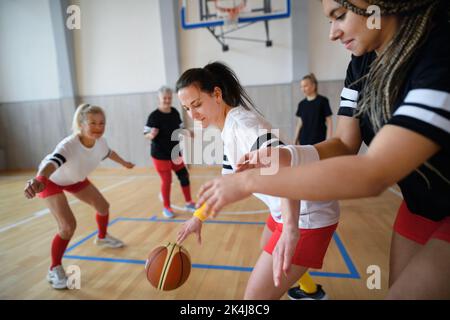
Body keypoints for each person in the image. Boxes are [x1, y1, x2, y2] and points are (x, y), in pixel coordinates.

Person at [194, 0, 450, 299]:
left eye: (340, 16)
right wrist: (289, 154)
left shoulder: (438, 51)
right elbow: (344, 144)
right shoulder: (361, 65)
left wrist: (250, 180)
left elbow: (375, 173)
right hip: (420, 203)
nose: (332, 33)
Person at [174, 62, 340, 300]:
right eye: (187, 108)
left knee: (253, 301)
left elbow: (284, 166)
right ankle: (309, 291)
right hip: (287, 208)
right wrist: (197, 218)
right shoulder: (228, 129)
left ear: (217, 94)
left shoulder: (242, 125)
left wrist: (291, 229)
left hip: (306, 214)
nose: (193, 114)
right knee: (267, 241)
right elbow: (228, 185)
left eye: (197, 104)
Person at [23, 103, 135, 290]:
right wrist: (40, 179)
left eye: (101, 123)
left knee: (103, 207)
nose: (98, 127)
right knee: (68, 227)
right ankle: (54, 268)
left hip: (74, 179)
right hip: (50, 181)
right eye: (92, 123)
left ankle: (102, 237)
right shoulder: (69, 145)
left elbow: (108, 153)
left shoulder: (101, 142)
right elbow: (52, 162)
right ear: (81, 124)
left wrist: (124, 163)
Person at [144, 86, 196, 218]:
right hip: (160, 155)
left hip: (175, 153)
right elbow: (146, 133)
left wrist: (187, 132)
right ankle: (166, 207)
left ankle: (189, 202)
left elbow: (180, 127)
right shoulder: (154, 116)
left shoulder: (174, 112)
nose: (167, 100)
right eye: (164, 98)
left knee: (184, 175)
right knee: (167, 181)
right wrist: (151, 134)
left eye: (169, 98)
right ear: (159, 99)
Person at [294, 73, 333, 145]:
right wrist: (295, 140)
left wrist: (328, 140)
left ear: (313, 86)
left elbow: (329, 121)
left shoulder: (323, 101)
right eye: (301, 87)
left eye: (305, 86)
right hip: (304, 141)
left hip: (320, 141)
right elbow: (299, 124)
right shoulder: (301, 104)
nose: (303, 89)